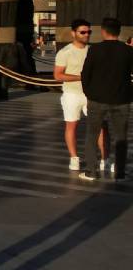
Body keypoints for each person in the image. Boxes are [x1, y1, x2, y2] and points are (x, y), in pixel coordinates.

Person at [80, 18, 132, 182]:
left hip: (97, 99)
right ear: (119, 31)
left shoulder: (95, 50)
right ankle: (120, 173)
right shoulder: (128, 51)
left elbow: (85, 74)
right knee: (121, 137)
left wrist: (89, 93)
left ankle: (91, 171)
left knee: (92, 135)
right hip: (121, 99)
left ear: (103, 31)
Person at [54, 19, 104, 171]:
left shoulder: (93, 50)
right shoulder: (65, 52)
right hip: (72, 94)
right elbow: (58, 75)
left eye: (89, 32)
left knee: (100, 126)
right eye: (82, 32)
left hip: (92, 94)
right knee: (71, 126)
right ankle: (74, 158)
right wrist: (81, 77)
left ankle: (104, 158)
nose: (86, 34)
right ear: (73, 33)